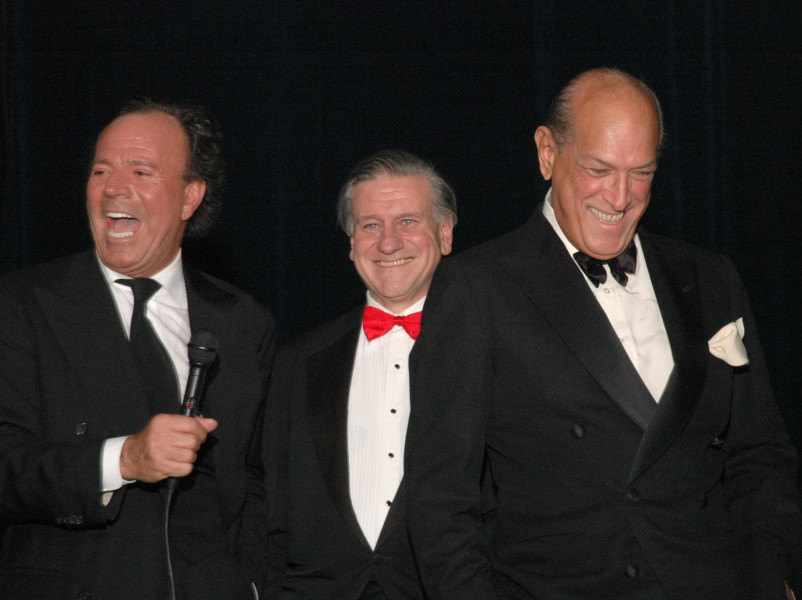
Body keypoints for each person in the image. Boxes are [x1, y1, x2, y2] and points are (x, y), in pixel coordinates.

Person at [405, 68, 801, 599]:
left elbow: (760, 457)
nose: (620, 197)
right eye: (598, 168)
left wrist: (774, 582)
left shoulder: (710, 278)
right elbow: (442, 504)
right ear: (548, 153)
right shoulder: (478, 288)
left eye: (642, 172)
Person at [0, 100, 274, 599]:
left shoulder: (241, 321)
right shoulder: (20, 306)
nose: (113, 187)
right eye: (101, 170)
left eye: (141, 170)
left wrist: (248, 582)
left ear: (190, 196)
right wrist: (122, 459)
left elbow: (254, 479)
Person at [264, 149, 456, 599]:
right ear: (351, 244)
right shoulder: (295, 362)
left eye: (408, 221)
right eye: (370, 225)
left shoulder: (495, 352)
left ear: (444, 233)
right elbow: (268, 504)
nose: (388, 243)